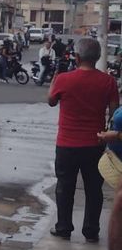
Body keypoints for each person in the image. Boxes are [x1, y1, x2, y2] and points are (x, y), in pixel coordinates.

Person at [48, 38, 119, 242]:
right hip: (95, 144)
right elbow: (114, 115)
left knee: (64, 186)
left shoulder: (63, 79)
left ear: (77, 57)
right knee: (94, 189)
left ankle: (63, 228)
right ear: (97, 58)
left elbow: (51, 101)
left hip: (66, 144)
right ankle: (91, 231)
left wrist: (54, 82)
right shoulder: (108, 82)